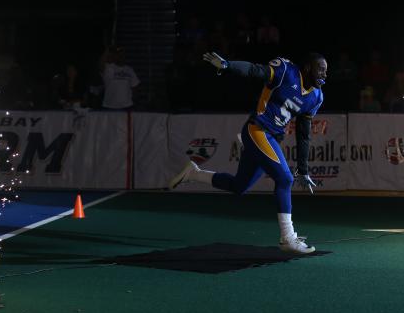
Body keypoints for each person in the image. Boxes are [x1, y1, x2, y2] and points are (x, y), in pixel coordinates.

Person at [169, 52, 327, 254]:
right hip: (257, 130)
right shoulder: (287, 72)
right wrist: (228, 65)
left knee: (239, 186)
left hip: (271, 137)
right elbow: (255, 69)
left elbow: (303, 134)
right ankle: (288, 237)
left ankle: (193, 173)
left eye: (326, 70)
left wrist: (303, 169)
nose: (325, 73)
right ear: (307, 68)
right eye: (321, 68)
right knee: (285, 179)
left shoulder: (316, 97)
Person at [100, 46, 140, 110]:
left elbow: (135, 86)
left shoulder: (129, 69)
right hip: (110, 106)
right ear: (114, 56)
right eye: (118, 54)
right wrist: (108, 50)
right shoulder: (108, 68)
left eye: (122, 54)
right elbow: (101, 63)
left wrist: (135, 102)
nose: (120, 56)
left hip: (127, 106)